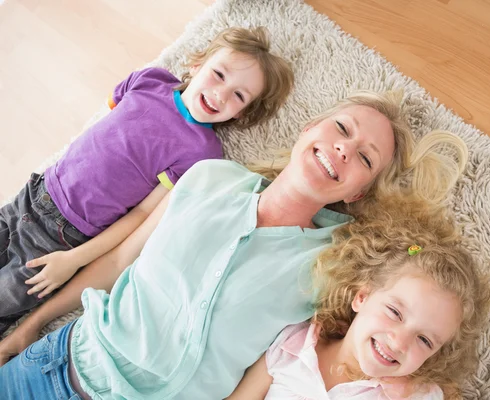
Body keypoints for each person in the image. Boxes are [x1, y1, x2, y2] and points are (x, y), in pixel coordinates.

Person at [0, 90, 468, 399]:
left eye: (365, 157)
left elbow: (389, 331)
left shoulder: (337, 260)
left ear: (357, 193)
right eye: (342, 129)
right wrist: (30, 326)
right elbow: (123, 258)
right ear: (309, 130)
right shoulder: (209, 177)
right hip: (58, 366)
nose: (345, 148)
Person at [0, 26, 294, 335]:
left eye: (238, 95)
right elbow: (107, 122)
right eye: (219, 74)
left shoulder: (200, 153)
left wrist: (73, 260)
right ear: (197, 64)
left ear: (242, 114)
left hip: (61, 237)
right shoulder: (150, 80)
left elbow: (140, 215)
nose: (221, 94)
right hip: (33, 194)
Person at [227, 198, 490, 399]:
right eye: (395, 313)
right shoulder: (291, 345)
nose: (399, 342)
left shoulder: (415, 394)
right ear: (362, 297)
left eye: (424, 340)